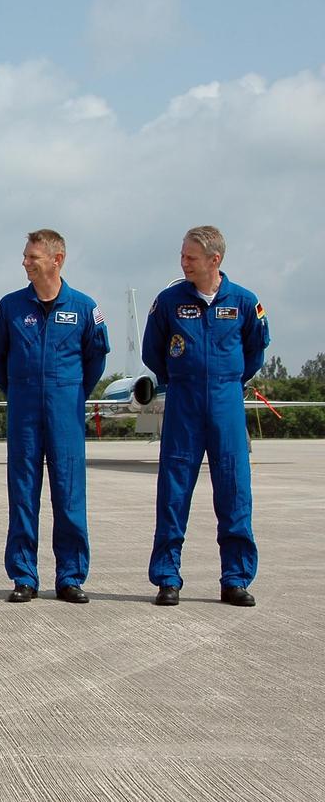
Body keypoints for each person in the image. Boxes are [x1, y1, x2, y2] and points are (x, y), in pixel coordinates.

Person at [142, 226, 269, 607]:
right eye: (182, 255)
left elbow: (255, 352)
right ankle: (167, 578)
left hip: (227, 403)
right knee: (173, 492)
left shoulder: (245, 302)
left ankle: (235, 578)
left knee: (233, 492)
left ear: (214, 260)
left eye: (190, 257)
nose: (183, 263)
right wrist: (183, 378)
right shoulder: (168, 302)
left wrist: (226, 381)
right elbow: (153, 352)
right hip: (183, 403)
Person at [0, 230, 109, 604]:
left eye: (32, 257)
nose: (25, 262)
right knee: (23, 494)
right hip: (23, 409)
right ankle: (24, 576)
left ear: (57, 260)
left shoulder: (85, 308)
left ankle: (70, 577)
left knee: (69, 495)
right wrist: (21, 392)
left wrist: (70, 393)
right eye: (25, 256)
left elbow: (96, 359)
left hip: (66, 411)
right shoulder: (9, 307)